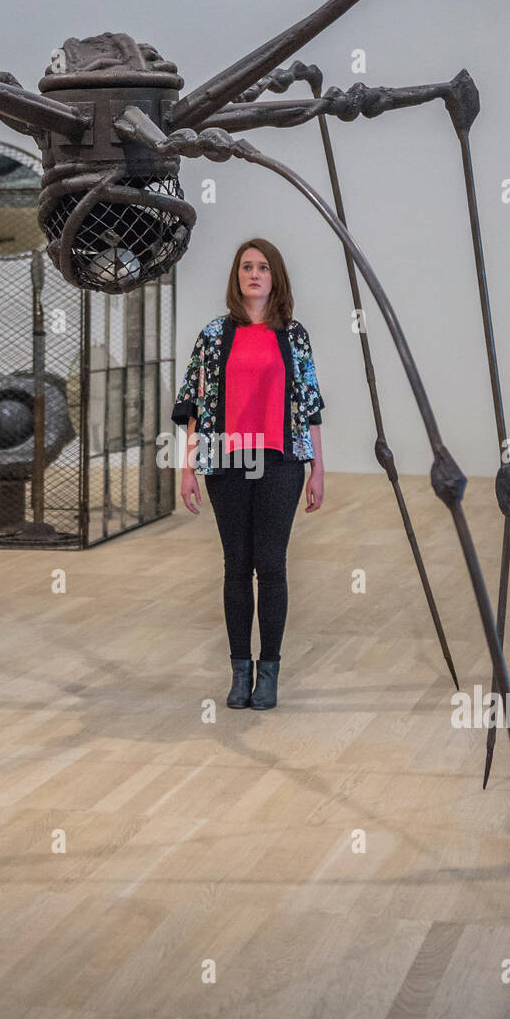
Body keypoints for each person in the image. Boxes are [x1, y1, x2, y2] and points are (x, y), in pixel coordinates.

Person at [171, 238, 325, 710]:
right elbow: (193, 405)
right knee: (236, 565)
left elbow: (312, 407)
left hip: (280, 462)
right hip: (226, 462)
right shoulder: (213, 335)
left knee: (271, 565)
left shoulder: (293, 335)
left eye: (262, 268)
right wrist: (187, 466)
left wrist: (319, 469)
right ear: (236, 278)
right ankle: (240, 672)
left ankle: (270, 673)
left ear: (275, 277)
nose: (254, 274)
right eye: (245, 267)